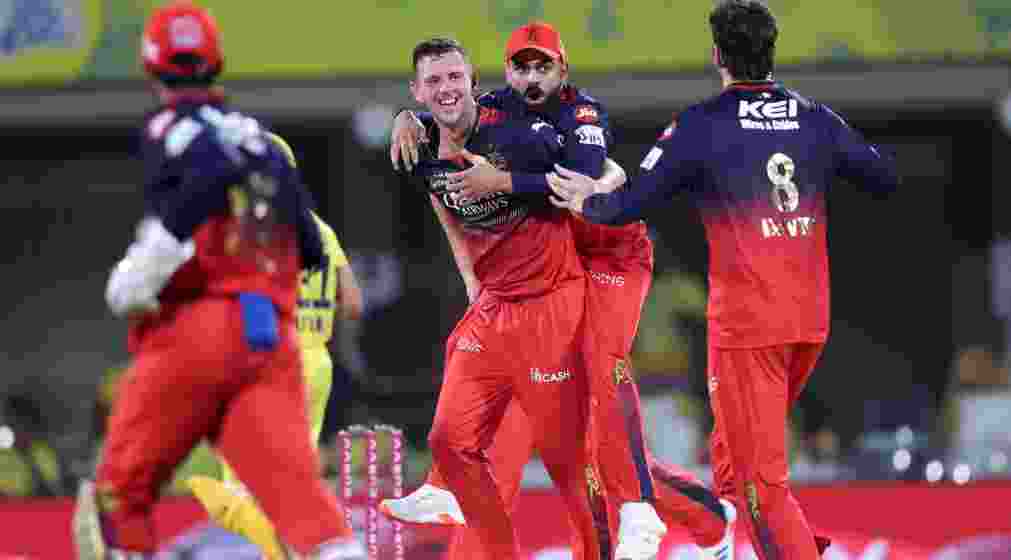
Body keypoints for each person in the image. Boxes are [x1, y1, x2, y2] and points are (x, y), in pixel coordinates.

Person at [547, 1, 897, 558]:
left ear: (717, 56)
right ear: (771, 53)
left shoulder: (702, 124)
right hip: (809, 320)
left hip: (747, 327)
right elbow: (884, 175)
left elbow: (631, 203)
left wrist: (584, 200)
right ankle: (768, 540)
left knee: (761, 486)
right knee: (736, 471)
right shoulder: (815, 117)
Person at [384, 21, 735, 560]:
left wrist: (504, 182)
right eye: (520, 67)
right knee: (496, 443)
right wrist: (410, 117)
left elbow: (584, 180)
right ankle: (452, 500)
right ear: (500, 77)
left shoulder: (578, 116)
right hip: (534, 286)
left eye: (542, 66)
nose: (531, 78)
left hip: (606, 257)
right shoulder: (490, 113)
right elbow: (448, 187)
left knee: (593, 410)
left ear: (562, 70)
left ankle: (654, 510)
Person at [72, 3, 357, 558]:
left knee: (118, 496)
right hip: (270, 339)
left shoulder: (168, 127)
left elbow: (182, 210)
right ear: (218, 61)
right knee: (305, 506)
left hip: (201, 331)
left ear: (150, 66)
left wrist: (130, 282)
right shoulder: (260, 141)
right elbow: (307, 245)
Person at [393, 36, 625, 559]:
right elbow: (446, 212)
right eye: (434, 81)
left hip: (551, 304)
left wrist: (608, 177)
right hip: (495, 306)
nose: (446, 88)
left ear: (474, 84)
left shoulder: (518, 133)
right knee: (449, 442)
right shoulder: (419, 148)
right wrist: (471, 282)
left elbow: (593, 173)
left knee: (568, 463)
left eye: (455, 78)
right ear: (418, 91)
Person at [186, 132, 364, 560]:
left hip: (269, 364)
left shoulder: (251, 230)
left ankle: (291, 552)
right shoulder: (321, 231)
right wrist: (313, 312)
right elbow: (354, 304)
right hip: (316, 363)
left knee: (238, 490)